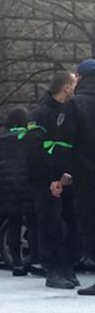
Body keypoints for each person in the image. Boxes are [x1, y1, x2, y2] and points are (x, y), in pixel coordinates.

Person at [25, 72, 79, 288]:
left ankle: (68, 266)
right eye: (74, 83)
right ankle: (53, 270)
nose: (76, 87)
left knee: (73, 223)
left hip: (69, 178)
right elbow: (35, 150)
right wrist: (52, 178)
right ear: (66, 87)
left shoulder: (71, 112)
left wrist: (69, 174)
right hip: (47, 181)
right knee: (51, 224)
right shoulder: (40, 115)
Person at [50, 60, 95, 295]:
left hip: (86, 177)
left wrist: (58, 175)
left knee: (89, 223)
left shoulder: (76, 106)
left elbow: (63, 144)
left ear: (81, 78)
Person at [0, 108, 40, 277]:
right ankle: (35, 261)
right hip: (26, 186)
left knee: (13, 225)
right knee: (32, 223)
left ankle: (17, 265)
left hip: (5, 190)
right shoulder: (28, 138)